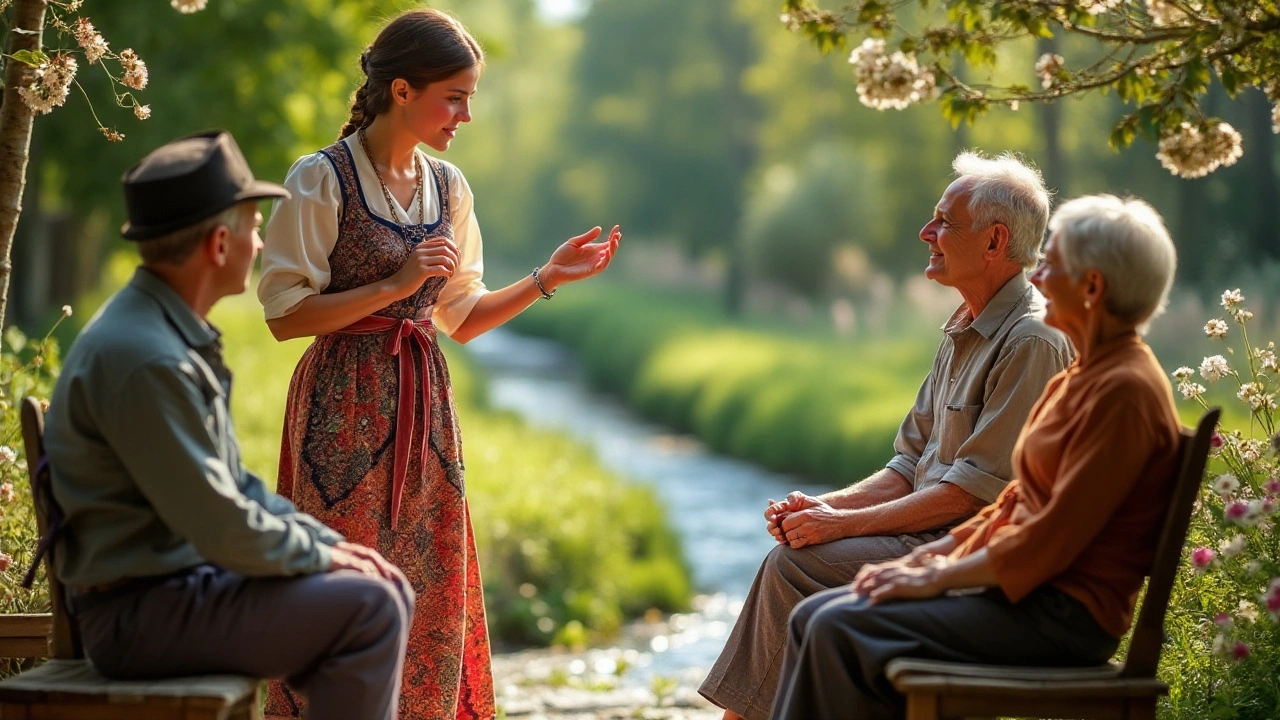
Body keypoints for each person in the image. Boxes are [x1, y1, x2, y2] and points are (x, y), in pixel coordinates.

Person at [256, 9, 620, 719]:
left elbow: (461, 318)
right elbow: (283, 316)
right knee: (343, 583)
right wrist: (392, 287)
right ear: (400, 90)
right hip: (343, 410)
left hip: (426, 415)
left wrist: (548, 276)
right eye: (454, 95)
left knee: (432, 585)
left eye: (470, 96)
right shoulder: (320, 180)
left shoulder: (449, 188)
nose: (467, 114)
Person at [42, 131, 414, 720]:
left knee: (381, 589)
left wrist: (333, 547)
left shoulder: (161, 332)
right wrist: (326, 560)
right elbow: (222, 524)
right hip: (142, 614)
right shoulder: (147, 358)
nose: (262, 241)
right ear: (220, 243)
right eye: (253, 226)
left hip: (178, 589)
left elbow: (236, 486)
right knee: (370, 608)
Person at [770, 194, 1182, 720]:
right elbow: (1012, 507)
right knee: (816, 616)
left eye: (1051, 264)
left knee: (836, 626)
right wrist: (924, 561)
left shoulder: (1124, 390)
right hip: (1026, 598)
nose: (1034, 278)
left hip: (1059, 616)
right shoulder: (1085, 377)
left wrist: (935, 578)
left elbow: (1049, 539)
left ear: (1093, 288)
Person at [700, 151, 1073, 720]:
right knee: (797, 555)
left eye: (946, 222)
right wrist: (823, 507)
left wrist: (838, 525)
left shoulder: (1032, 341)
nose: (928, 233)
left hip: (969, 555)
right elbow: (907, 466)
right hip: (930, 539)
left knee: (793, 567)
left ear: (995, 242)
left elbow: (975, 497)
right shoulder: (964, 328)